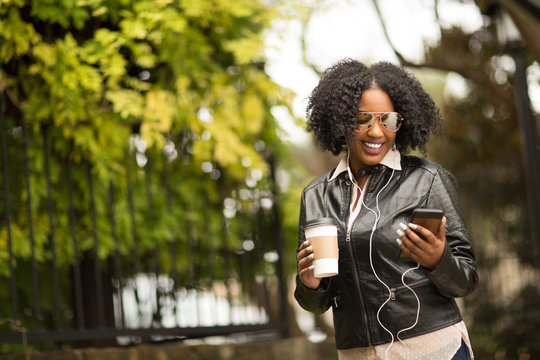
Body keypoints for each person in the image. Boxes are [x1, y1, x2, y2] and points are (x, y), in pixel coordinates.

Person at [294, 59, 478, 360]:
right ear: (341, 120)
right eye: (363, 118)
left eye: (389, 120)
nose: (376, 132)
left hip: (432, 350)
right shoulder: (315, 195)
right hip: (358, 353)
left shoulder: (427, 180)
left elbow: (466, 279)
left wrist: (437, 260)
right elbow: (316, 305)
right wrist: (310, 284)